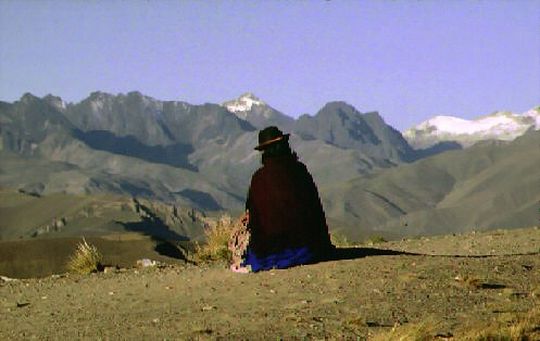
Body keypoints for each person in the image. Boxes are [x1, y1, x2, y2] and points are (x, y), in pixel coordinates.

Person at [231, 126, 334, 273]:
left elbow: (252, 215)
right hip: (309, 248)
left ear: (264, 151)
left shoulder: (259, 178)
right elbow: (315, 209)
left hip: (269, 252)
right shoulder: (300, 170)